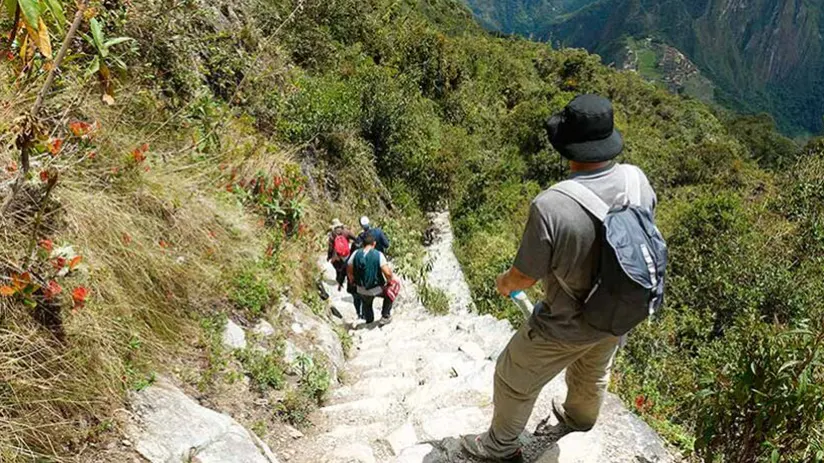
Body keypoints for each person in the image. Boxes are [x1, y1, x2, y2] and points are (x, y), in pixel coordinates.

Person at [461, 94, 658, 462]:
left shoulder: (552, 205)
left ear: (568, 148)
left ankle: (499, 448)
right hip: (618, 313)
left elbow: (523, 277)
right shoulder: (637, 181)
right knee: (593, 370)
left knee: (511, 377)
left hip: (565, 325)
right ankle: (579, 421)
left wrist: (503, 283)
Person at [347, 232, 394, 326]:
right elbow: (388, 273)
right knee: (390, 295)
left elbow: (349, 268)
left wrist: (352, 280)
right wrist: (389, 282)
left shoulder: (356, 253)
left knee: (366, 303)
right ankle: (385, 316)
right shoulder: (378, 255)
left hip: (360, 289)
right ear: (374, 244)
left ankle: (369, 321)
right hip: (375, 288)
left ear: (363, 244)